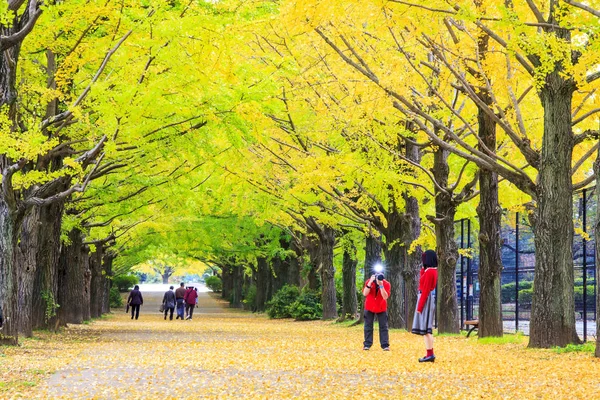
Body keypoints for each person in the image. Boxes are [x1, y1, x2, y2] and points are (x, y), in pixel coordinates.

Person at [412, 249, 439, 362]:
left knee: (426, 330)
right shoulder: (431, 271)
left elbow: (426, 289)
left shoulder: (430, 272)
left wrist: (419, 307)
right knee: (426, 330)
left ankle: (430, 354)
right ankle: (429, 353)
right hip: (426, 298)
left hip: (425, 298)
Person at [362, 272, 391, 351]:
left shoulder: (386, 284)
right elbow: (365, 293)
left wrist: (381, 285)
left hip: (381, 307)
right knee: (368, 326)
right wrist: (370, 282)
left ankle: (385, 345)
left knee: (383, 326)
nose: (378, 278)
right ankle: (367, 344)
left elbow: (385, 297)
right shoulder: (369, 282)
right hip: (369, 306)